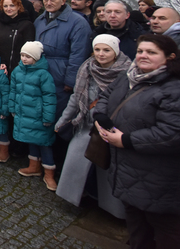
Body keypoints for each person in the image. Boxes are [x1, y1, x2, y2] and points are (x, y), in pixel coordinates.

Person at [94, 34, 180, 249]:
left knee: (165, 227)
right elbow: (106, 96)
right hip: (129, 168)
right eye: (140, 51)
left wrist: (126, 140)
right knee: (136, 223)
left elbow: (176, 133)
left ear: (170, 57)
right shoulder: (129, 76)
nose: (143, 56)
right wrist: (100, 118)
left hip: (160, 175)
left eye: (151, 52)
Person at [54, 35, 130, 217]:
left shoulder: (126, 72)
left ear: (115, 52)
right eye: (97, 50)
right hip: (84, 122)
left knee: (106, 168)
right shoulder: (87, 67)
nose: (101, 54)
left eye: (106, 50)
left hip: (108, 127)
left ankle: (111, 208)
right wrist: (63, 120)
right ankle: (73, 197)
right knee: (75, 162)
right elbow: (76, 96)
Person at [34, 0, 92, 120]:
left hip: (61, 76)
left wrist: (70, 81)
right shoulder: (39, 20)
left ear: (63, 1)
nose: (48, 3)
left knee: (58, 114)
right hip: (40, 72)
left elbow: (79, 54)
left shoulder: (78, 22)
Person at [9, 41, 58, 191]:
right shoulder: (17, 71)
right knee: (31, 139)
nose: (24, 59)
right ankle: (34, 166)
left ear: (36, 58)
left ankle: (49, 174)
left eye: (28, 56)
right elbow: (13, 91)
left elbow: (49, 96)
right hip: (24, 113)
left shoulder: (43, 74)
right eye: (22, 55)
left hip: (38, 115)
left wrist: (48, 117)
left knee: (44, 143)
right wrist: (12, 108)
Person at [0, 0, 36, 74]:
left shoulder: (27, 25)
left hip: (20, 68)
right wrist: (0, 62)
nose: (8, 9)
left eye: (12, 5)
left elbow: (29, 49)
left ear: (19, 6)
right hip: (2, 68)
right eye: (5, 6)